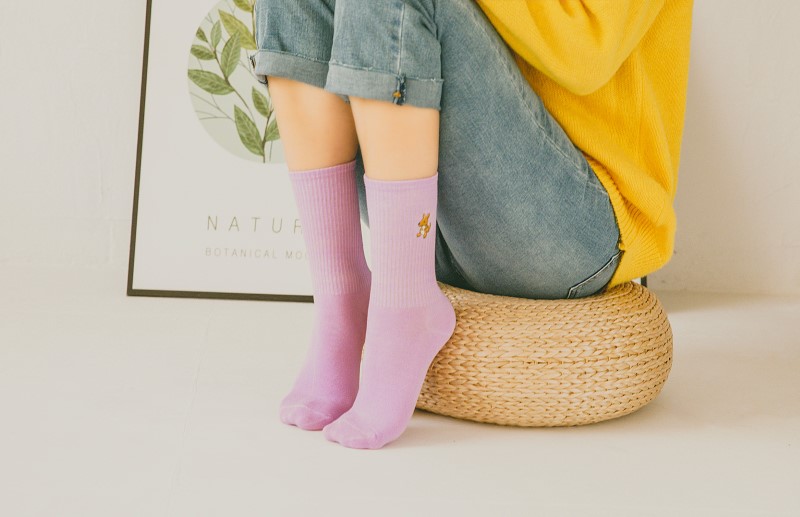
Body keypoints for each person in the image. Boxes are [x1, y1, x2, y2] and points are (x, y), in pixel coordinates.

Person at [251, 0, 693, 449]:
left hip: (579, 229)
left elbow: (586, 53)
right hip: (435, 220)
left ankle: (406, 311)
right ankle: (341, 297)